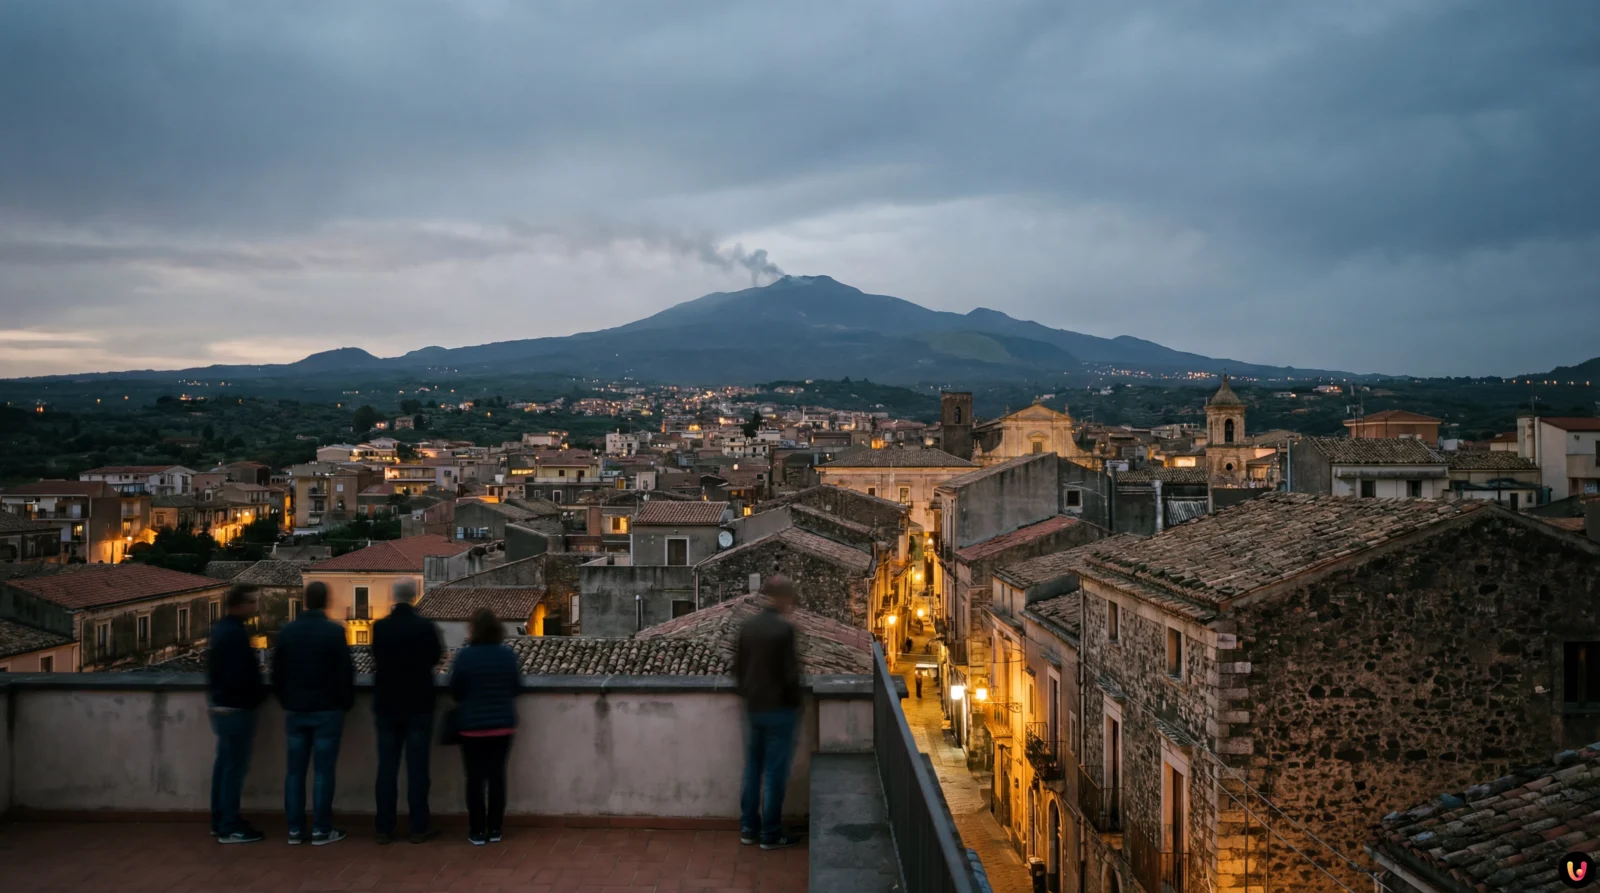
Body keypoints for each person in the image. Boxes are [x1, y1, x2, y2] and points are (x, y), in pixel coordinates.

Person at [273, 581, 356, 846]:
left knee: (294, 773)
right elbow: (345, 672)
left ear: (306, 601)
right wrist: (345, 703)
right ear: (325, 601)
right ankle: (321, 829)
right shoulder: (334, 632)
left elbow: (277, 672)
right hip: (327, 710)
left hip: (296, 710)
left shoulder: (287, 632)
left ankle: (295, 830)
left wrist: (286, 700)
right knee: (323, 772)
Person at [732, 575, 803, 851]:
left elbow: (738, 668)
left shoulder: (748, 627)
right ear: (783, 599)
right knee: (774, 774)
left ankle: (748, 829)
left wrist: (748, 693)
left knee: (752, 770)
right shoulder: (784, 631)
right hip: (779, 710)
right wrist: (796, 703)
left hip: (753, 708)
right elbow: (790, 675)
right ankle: (770, 834)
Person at [370, 580, 444, 845]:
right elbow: (436, 657)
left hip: (387, 705)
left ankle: (384, 828)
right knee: (418, 769)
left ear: (394, 597)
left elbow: (376, 656)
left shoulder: (380, 628)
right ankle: (418, 827)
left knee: (386, 769)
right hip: (419, 704)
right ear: (414, 597)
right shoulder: (425, 627)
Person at [449, 608, 521, 846]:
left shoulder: (464, 656)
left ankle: (477, 830)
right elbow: (515, 687)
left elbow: (456, 690)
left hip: (472, 728)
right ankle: (496, 829)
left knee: (475, 780)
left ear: (473, 630)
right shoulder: (507, 655)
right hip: (502, 727)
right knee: (497, 778)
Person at [208, 584, 268, 844]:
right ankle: (229, 826)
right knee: (232, 769)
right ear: (239, 604)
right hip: (235, 709)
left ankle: (220, 820)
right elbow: (239, 674)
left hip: (221, 706)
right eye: (251, 602)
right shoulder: (234, 634)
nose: (255, 607)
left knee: (224, 767)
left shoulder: (222, 629)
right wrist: (255, 696)